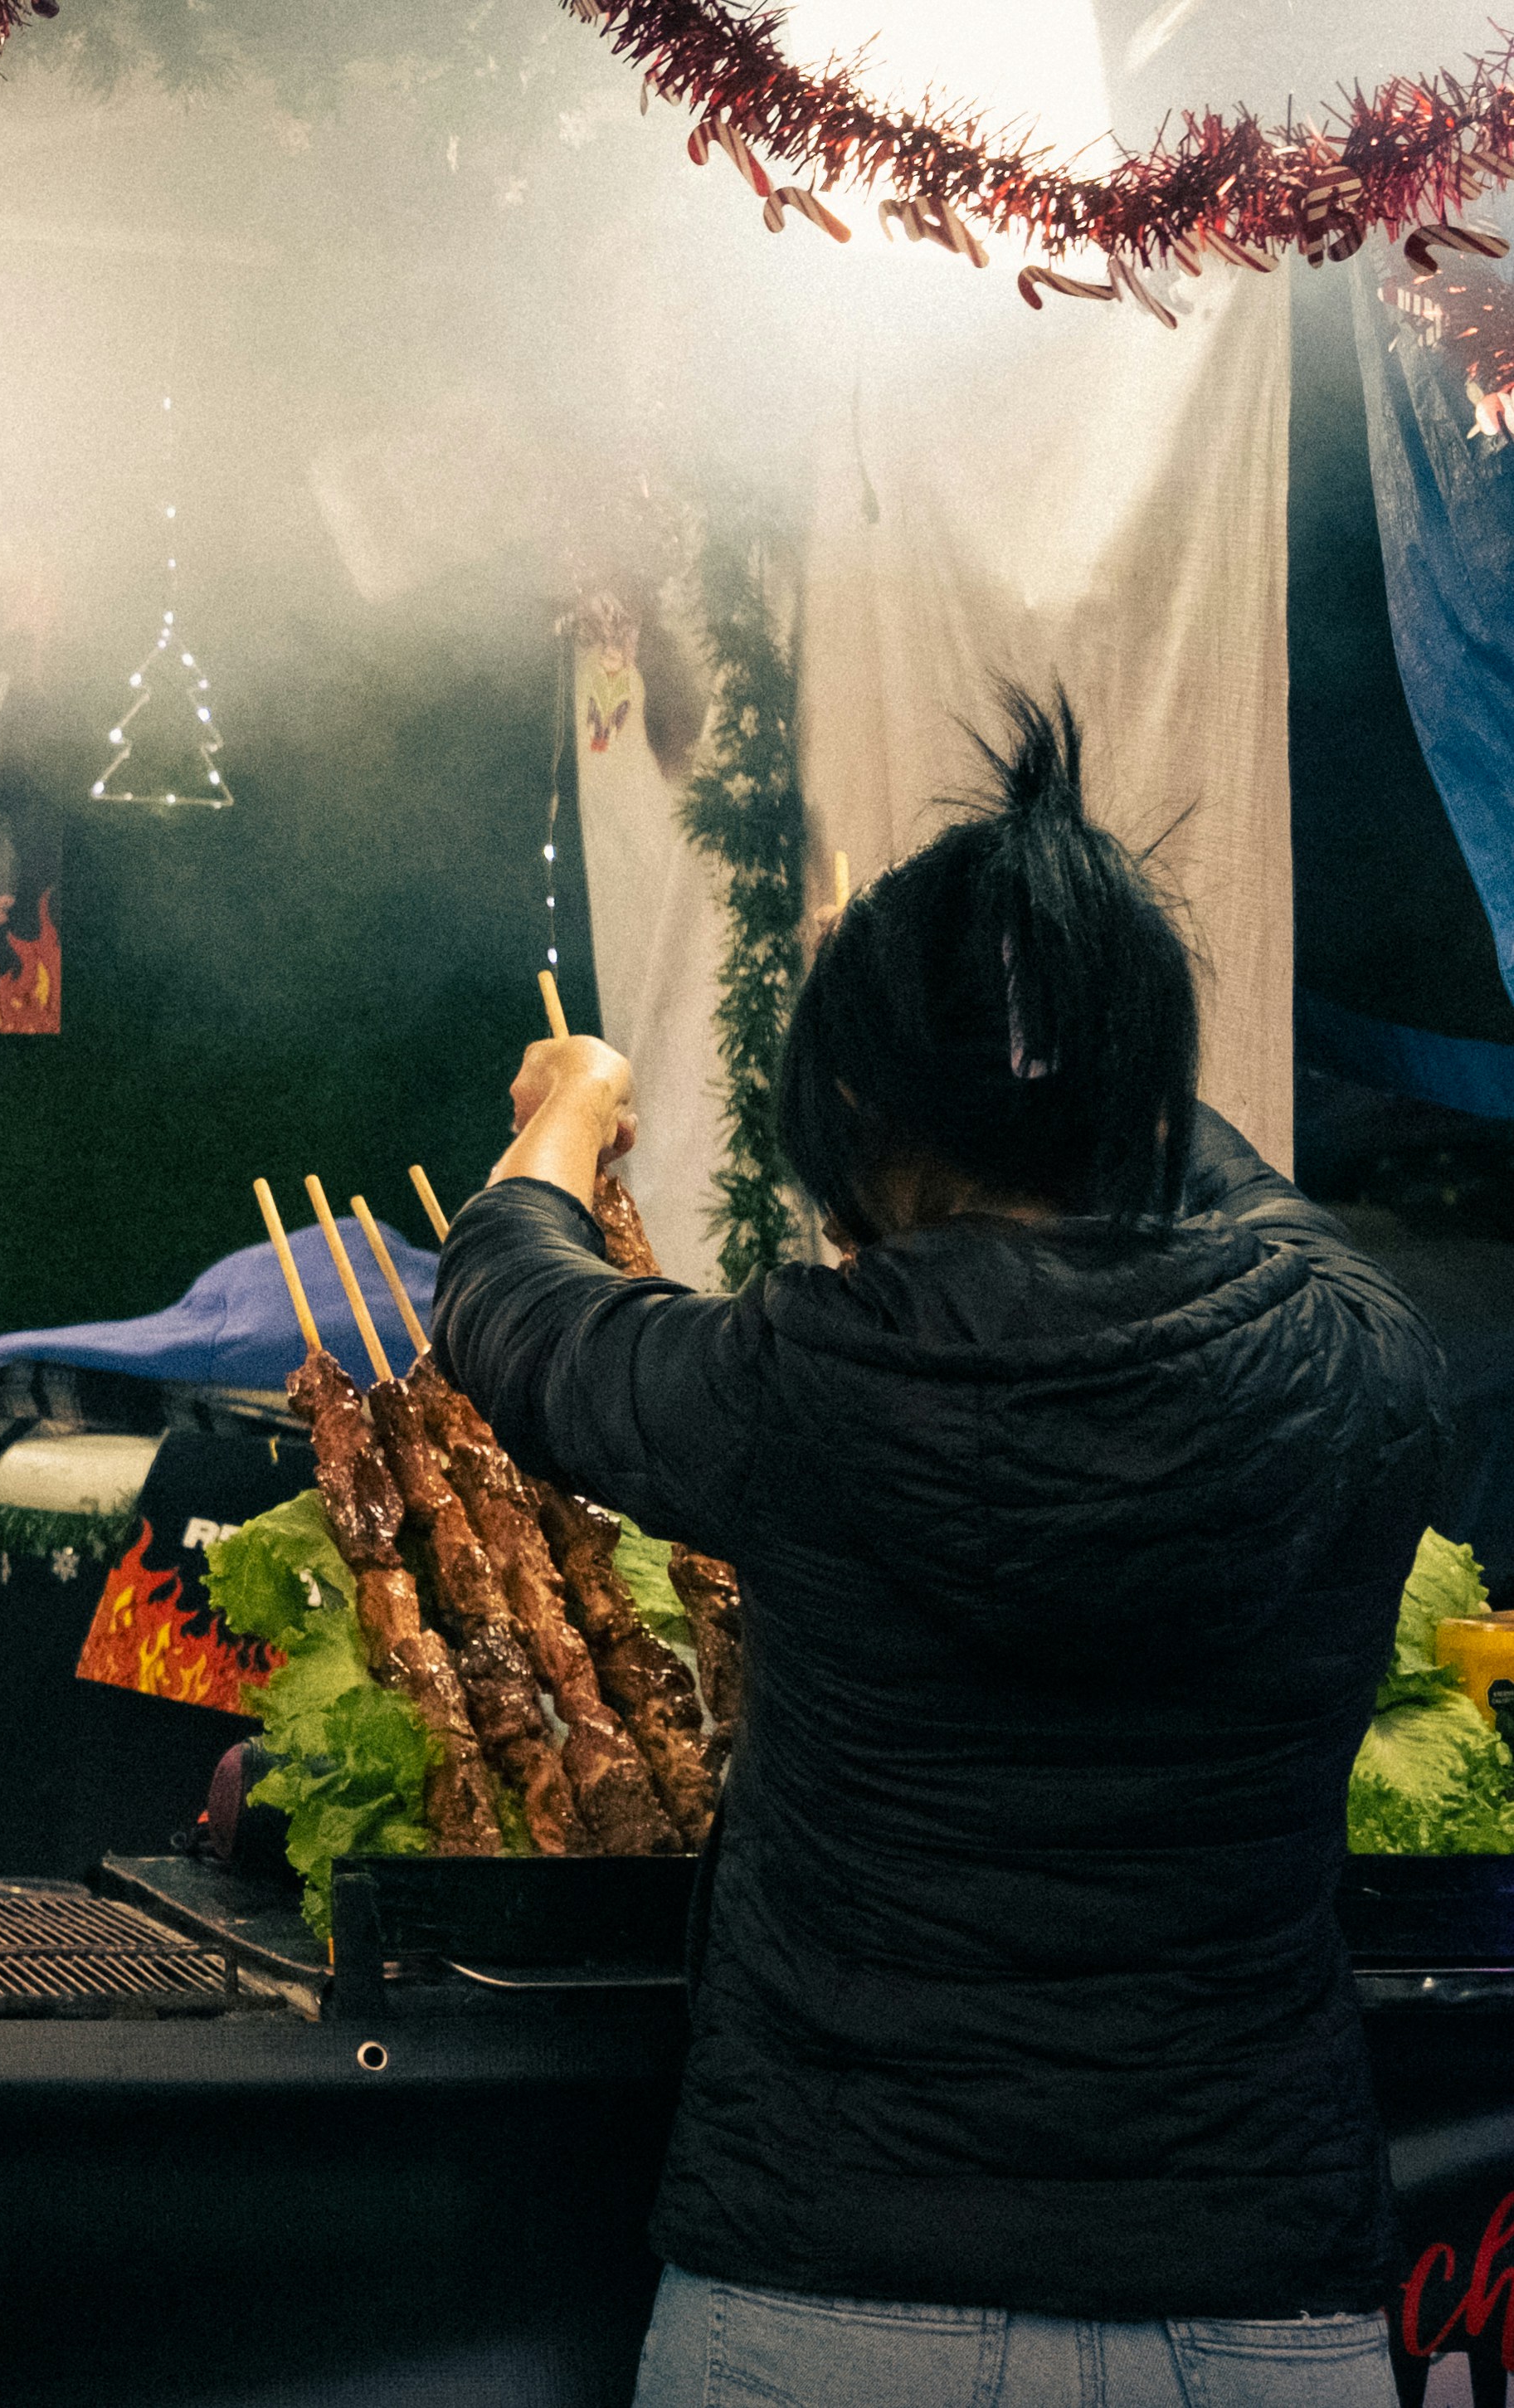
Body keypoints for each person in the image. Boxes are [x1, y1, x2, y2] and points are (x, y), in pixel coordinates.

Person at [436, 692, 1452, 2406]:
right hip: (1254, 2313)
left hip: (832, 2301)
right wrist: (1036, 1021)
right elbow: (1213, 1174)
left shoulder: (805, 1377)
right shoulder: (1356, 1358)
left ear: (851, 1110)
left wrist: (574, 1110)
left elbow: (512, 1304)